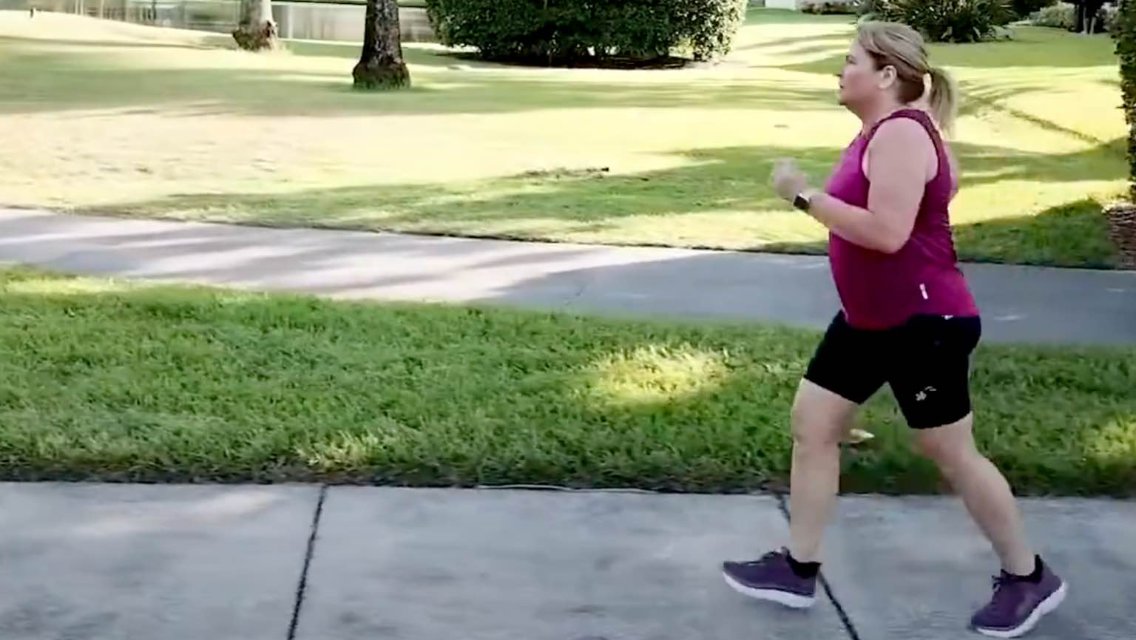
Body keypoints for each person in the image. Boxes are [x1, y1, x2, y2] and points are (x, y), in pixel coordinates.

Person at [720, 21, 1066, 639]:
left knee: (950, 452)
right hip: (869, 319)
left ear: (885, 75)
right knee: (813, 426)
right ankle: (798, 568)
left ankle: (1028, 576)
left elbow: (887, 234)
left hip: (921, 322)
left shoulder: (903, 133)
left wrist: (802, 196)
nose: (840, 71)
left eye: (850, 60)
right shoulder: (882, 132)